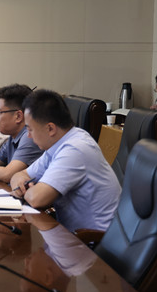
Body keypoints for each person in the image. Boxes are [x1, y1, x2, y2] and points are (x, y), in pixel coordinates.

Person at [10, 89, 120, 233]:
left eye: (30, 129)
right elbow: (19, 175)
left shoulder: (75, 149)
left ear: (50, 128)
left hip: (95, 240)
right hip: (71, 233)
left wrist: (25, 190)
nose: (29, 136)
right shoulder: (58, 144)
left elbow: (37, 199)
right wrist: (21, 182)